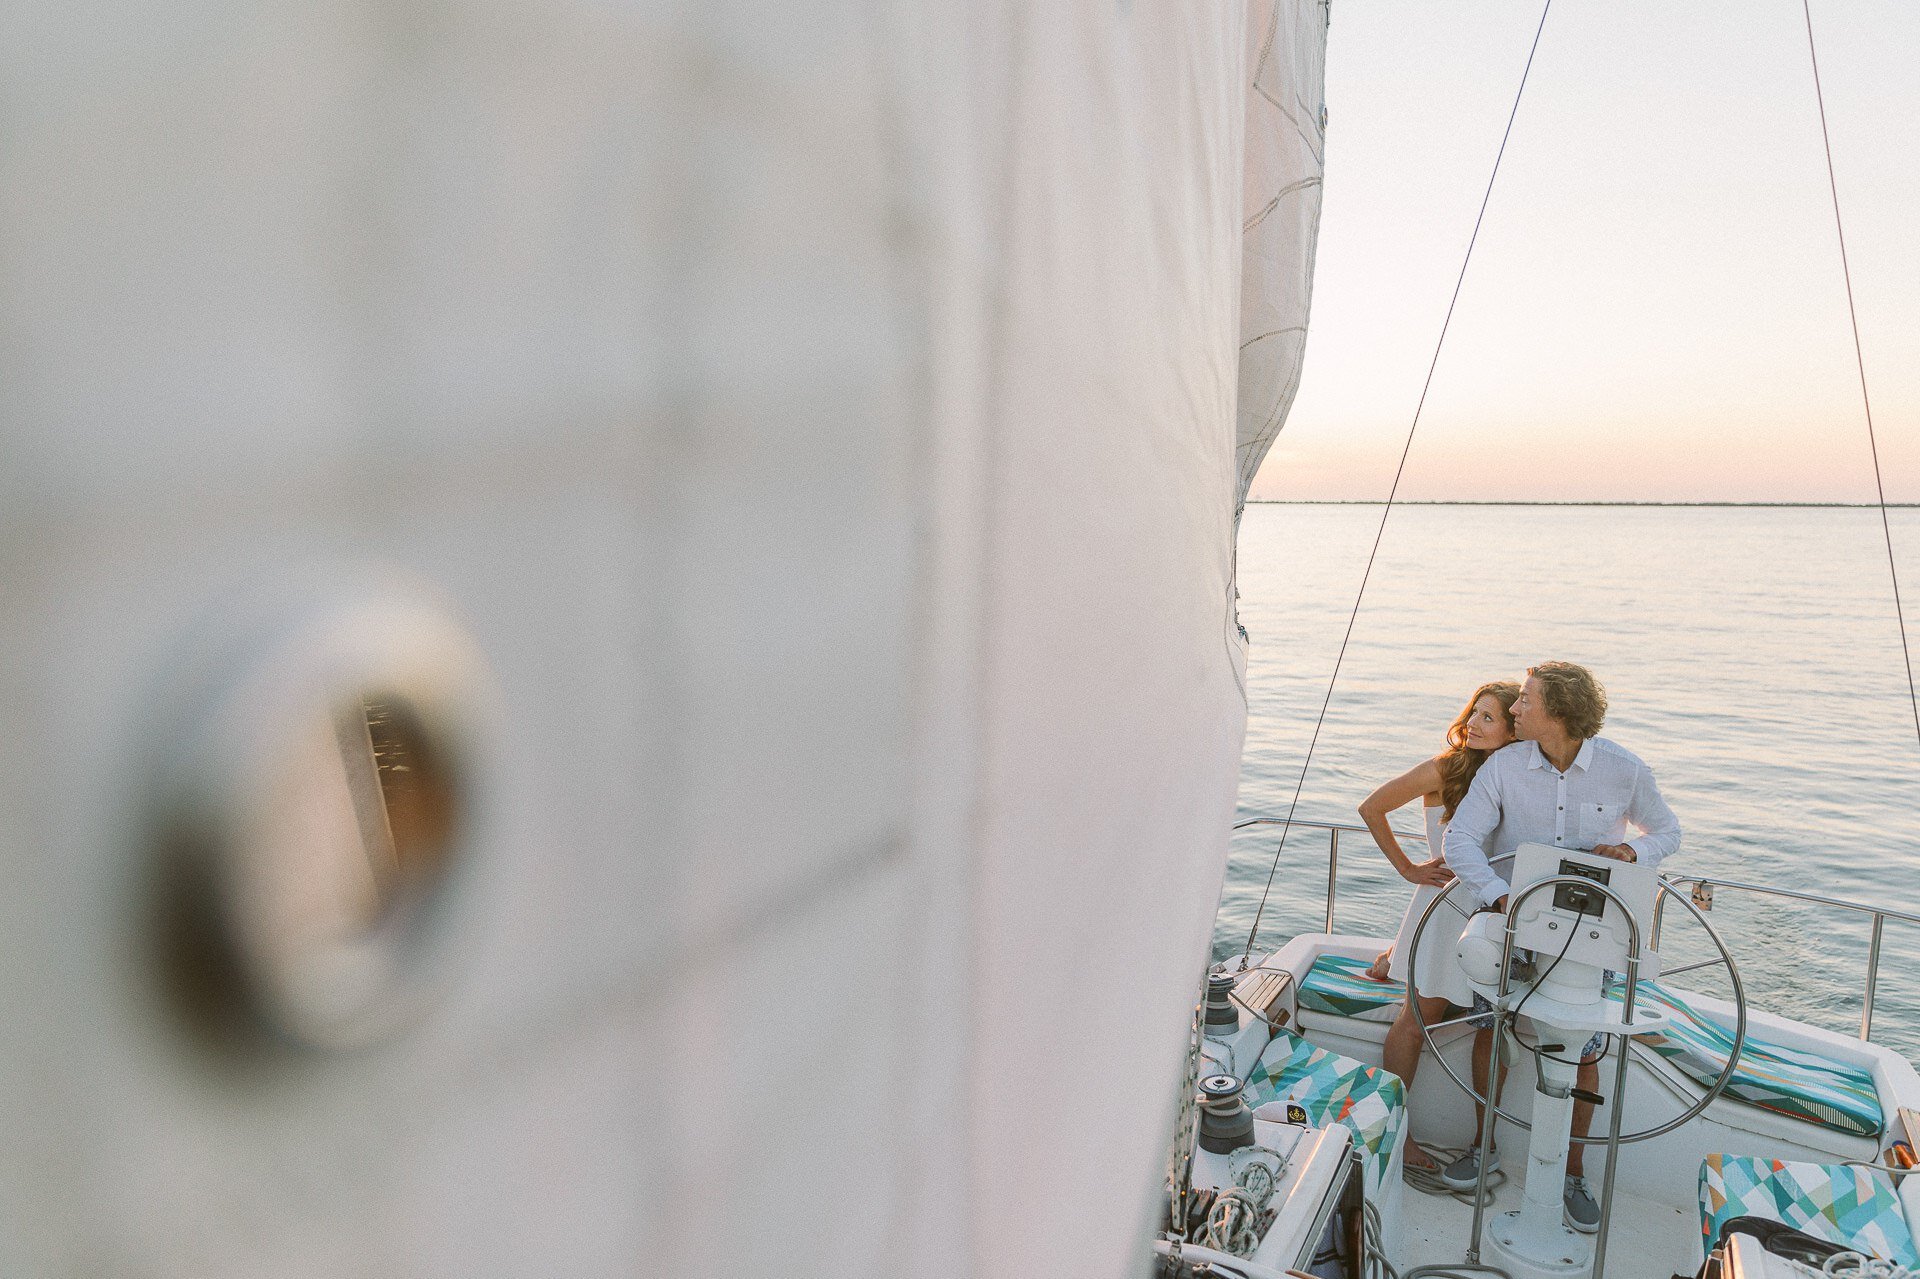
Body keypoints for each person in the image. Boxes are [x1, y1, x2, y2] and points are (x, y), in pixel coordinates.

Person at [1438, 661, 1681, 1233]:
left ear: (1560, 713)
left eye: (1525, 701)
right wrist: (1499, 897)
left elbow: (1667, 832)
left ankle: (1573, 1174)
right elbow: (1460, 839)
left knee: (1587, 1051)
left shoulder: (1624, 769)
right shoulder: (1503, 766)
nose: (1515, 709)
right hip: (1510, 918)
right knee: (1489, 1030)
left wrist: (1633, 855)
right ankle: (1484, 1146)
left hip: (1590, 932)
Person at [1356, 681, 1520, 1173]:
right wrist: (1409, 869)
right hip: (1447, 907)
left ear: (1515, 731)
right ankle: (1396, 1135)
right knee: (1417, 1021)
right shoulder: (1446, 768)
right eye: (1474, 711)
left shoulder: (1520, 778)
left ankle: (1484, 1143)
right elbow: (1371, 807)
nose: (1472, 722)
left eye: (1489, 717)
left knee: (1494, 1027)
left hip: (1494, 915)